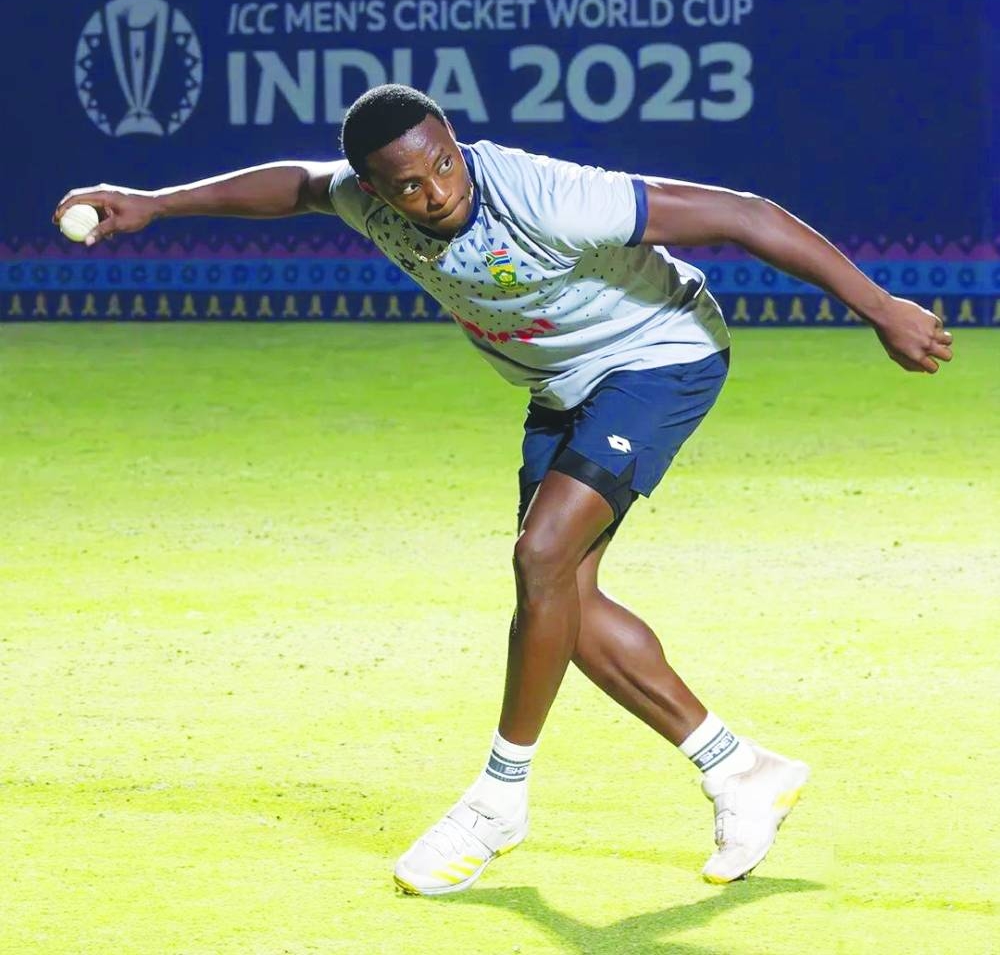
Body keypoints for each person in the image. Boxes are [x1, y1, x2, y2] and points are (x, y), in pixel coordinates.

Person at [53, 84, 954, 896]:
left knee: (540, 557)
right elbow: (293, 184)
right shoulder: (364, 202)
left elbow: (741, 214)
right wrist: (154, 203)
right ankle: (737, 769)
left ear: (456, 143)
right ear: (375, 191)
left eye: (444, 164)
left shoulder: (544, 194)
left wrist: (881, 308)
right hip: (558, 388)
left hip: (660, 355)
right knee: (560, 595)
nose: (437, 192)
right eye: (407, 186)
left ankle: (497, 800)